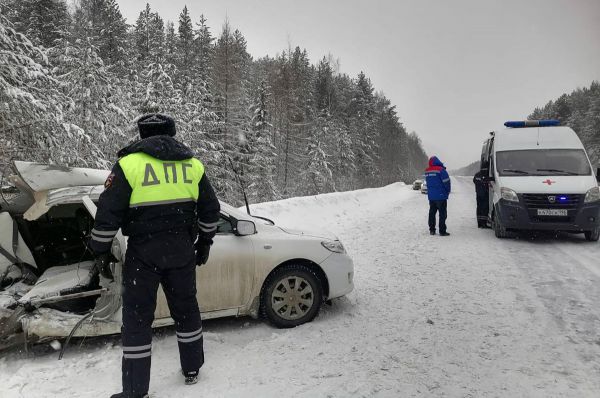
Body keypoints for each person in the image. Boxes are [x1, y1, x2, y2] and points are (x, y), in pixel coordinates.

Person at [89, 114, 221, 398]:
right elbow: (211, 211)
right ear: (172, 133)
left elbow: (107, 214)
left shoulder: (129, 164)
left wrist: (99, 251)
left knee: (137, 320)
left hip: (143, 253)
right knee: (187, 310)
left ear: (142, 134)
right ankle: (192, 369)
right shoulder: (193, 165)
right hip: (182, 250)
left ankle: (136, 391)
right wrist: (204, 242)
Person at [424, 156, 451, 236]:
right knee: (442, 214)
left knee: (432, 213)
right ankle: (442, 231)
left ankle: (432, 230)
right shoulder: (441, 170)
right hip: (441, 196)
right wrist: (447, 191)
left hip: (431, 197)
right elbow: (446, 182)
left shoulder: (427, 171)